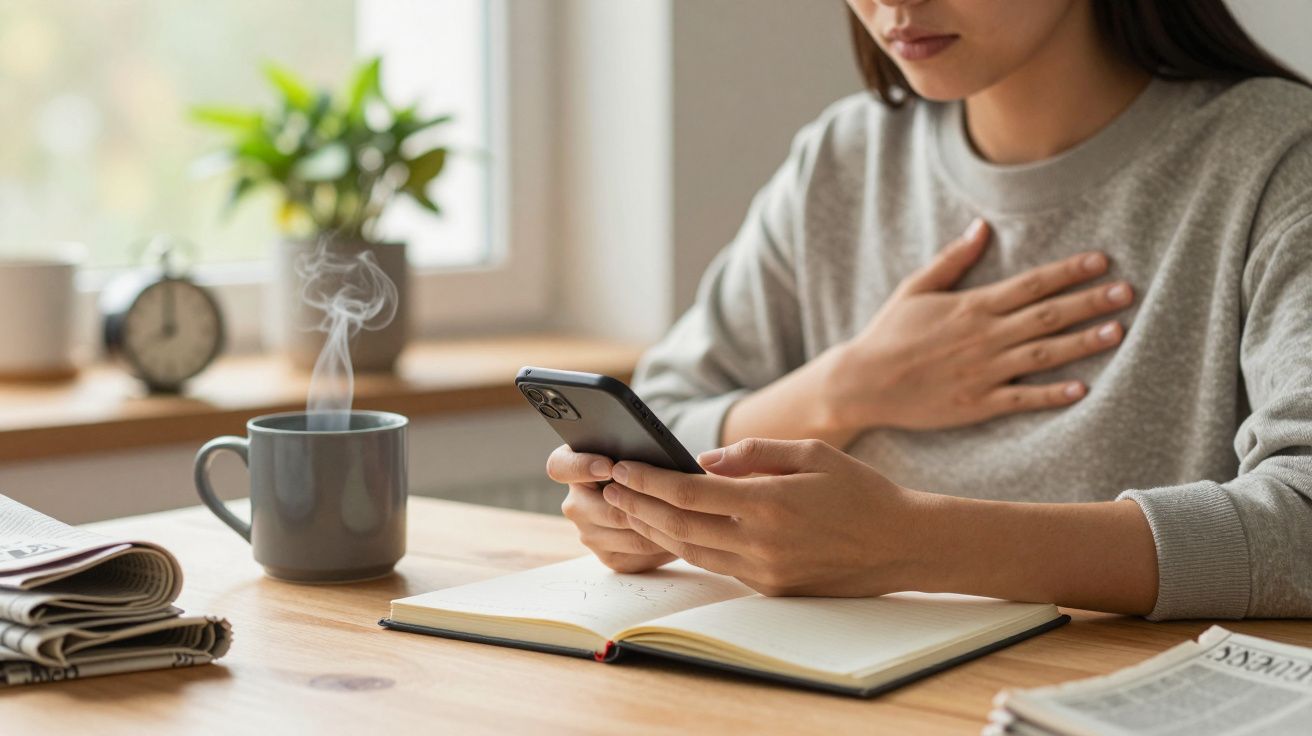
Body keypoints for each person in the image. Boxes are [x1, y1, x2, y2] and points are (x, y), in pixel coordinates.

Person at [546, 0, 1312, 620]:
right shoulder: (845, 157)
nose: (895, 2)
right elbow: (665, 412)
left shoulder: (1276, 157)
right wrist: (846, 388)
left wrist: (909, 543)